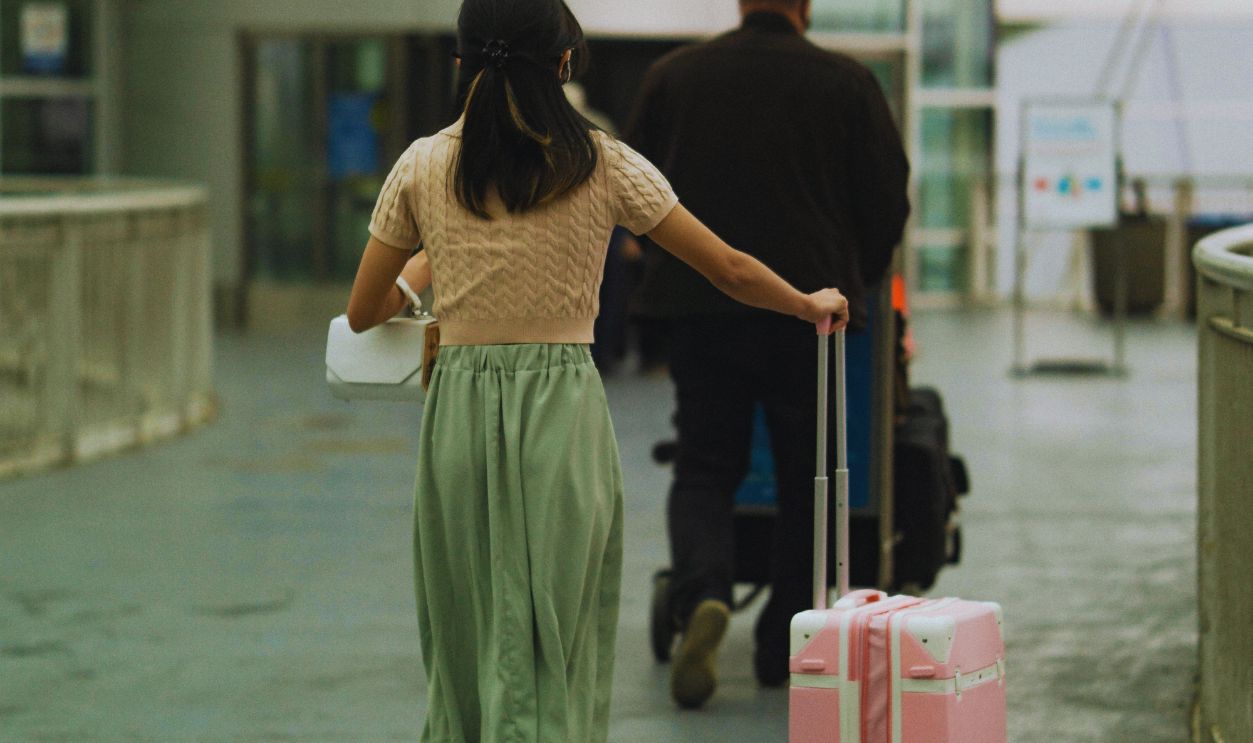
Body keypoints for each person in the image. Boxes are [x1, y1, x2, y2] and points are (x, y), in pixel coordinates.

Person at [344, 0, 850, 740]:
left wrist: (436, 257)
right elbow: (729, 269)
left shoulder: (420, 165)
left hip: (458, 407)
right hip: (562, 408)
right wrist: (807, 303)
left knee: (468, 612)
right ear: (562, 64)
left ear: (463, 65)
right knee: (561, 616)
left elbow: (365, 309)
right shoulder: (602, 162)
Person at [625, 0, 911, 708]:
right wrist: (853, 279)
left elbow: (634, 193)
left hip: (700, 308)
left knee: (703, 464)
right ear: (803, 7)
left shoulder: (673, 76)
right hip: (807, 313)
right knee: (808, 474)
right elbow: (887, 199)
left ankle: (703, 597)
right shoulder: (846, 83)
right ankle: (786, 643)